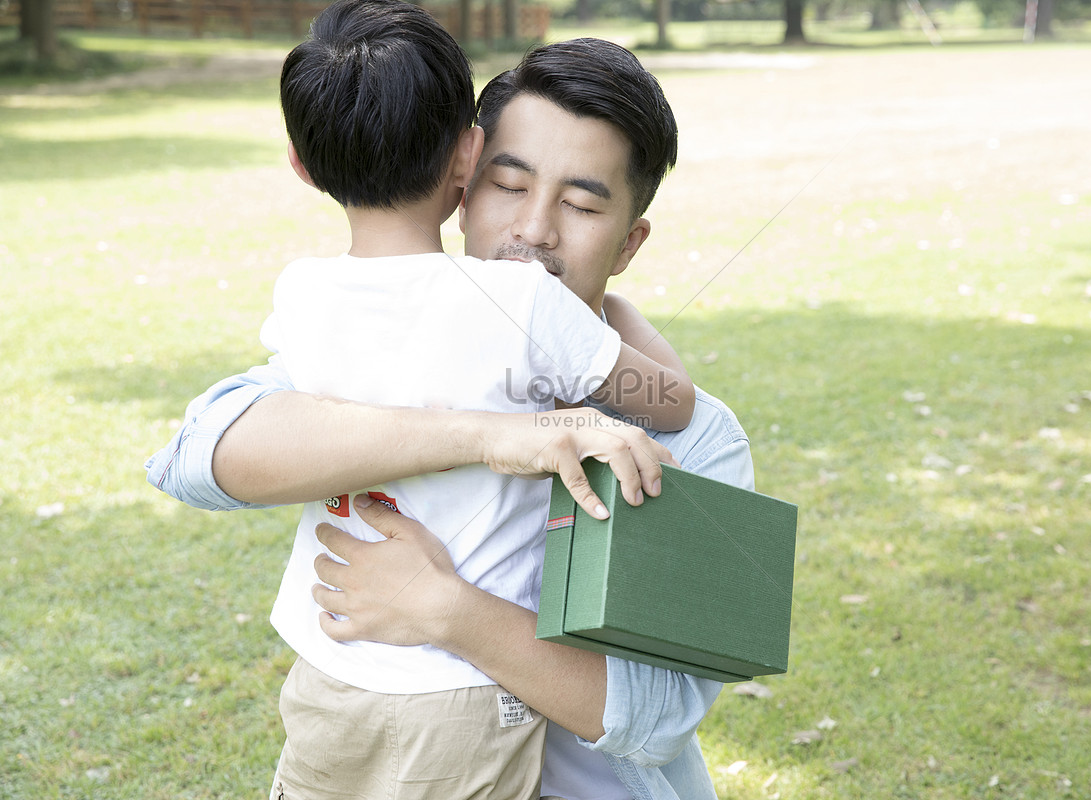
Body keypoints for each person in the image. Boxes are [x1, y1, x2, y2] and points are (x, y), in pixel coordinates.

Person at [147, 37, 754, 800]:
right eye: (509, 185)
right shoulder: (384, 353)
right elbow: (197, 458)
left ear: (629, 242)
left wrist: (445, 610)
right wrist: (485, 435)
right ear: (460, 181)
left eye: (581, 203)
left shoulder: (692, 439)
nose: (534, 230)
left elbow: (656, 715)